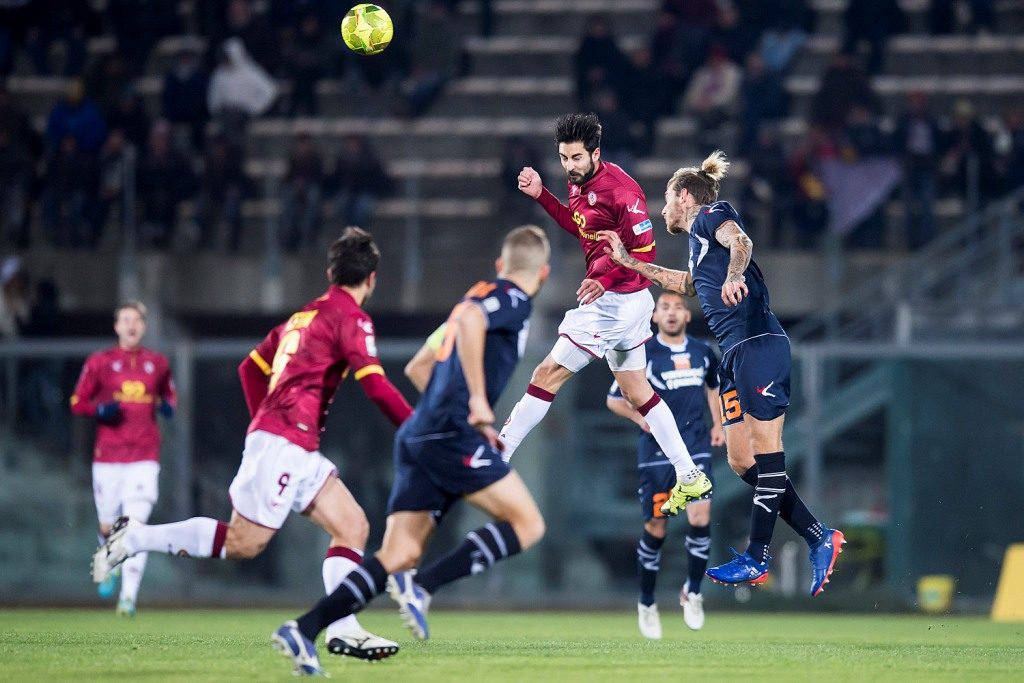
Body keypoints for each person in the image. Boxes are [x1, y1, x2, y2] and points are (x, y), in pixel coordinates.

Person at [92, 228, 412, 661]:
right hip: (285, 441)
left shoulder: (302, 317)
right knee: (244, 542)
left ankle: (342, 629)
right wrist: (416, 428)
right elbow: (375, 385)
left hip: (293, 441)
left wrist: (267, 422)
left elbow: (251, 368)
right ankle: (136, 538)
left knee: (352, 525)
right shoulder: (351, 318)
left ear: (330, 274)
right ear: (372, 278)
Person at [273, 226, 551, 675]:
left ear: (501, 263)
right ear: (544, 272)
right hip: (449, 434)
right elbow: (471, 317)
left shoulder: (484, 295)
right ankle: (424, 587)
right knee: (528, 523)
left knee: (397, 554)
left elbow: (420, 365)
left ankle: (304, 629)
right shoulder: (513, 299)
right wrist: (475, 404)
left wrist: (446, 409)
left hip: (421, 431)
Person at [598, 151, 845, 596]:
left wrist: (734, 277)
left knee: (768, 453)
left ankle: (757, 556)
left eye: (666, 199)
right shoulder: (698, 248)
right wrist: (628, 262)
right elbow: (685, 284)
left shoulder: (713, 215)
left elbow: (741, 242)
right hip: (732, 355)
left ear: (684, 197)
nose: (663, 210)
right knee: (741, 460)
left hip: (757, 344)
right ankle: (817, 535)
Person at [500, 113, 712, 516]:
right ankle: (689, 475)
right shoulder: (578, 181)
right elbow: (581, 226)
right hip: (624, 302)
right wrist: (543, 195)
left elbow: (645, 254)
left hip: (615, 301)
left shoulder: (622, 191)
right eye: (564, 158)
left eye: (576, 158)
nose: (569, 165)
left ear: (596, 153)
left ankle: (498, 458)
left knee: (546, 374)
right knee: (638, 393)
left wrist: (605, 280)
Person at [606, 291, 723, 637]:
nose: (671, 313)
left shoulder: (704, 352)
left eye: (678, 307)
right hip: (656, 452)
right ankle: (646, 602)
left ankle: (693, 592)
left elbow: (714, 387)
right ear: (654, 316)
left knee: (700, 517)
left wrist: (718, 424)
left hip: (696, 446)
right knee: (656, 527)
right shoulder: (642, 353)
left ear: (687, 316)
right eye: (665, 307)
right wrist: (640, 418)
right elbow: (614, 399)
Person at [70, 301, 176, 616]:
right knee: (108, 525)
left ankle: (128, 598)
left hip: (144, 456)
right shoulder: (100, 362)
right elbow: (77, 401)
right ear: (117, 326)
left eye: (137, 320)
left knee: (135, 526)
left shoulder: (157, 363)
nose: (132, 325)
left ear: (144, 326)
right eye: (126, 319)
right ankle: (110, 560)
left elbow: (170, 395)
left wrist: (168, 406)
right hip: (108, 457)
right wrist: (99, 410)